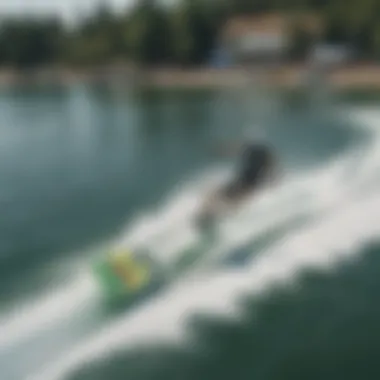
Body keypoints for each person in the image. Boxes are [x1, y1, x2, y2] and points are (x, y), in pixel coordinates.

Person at [196, 138, 278, 230]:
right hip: (245, 182)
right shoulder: (261, 153)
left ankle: (208, 216)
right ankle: (207, 215)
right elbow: (234, 149)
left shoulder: (259, 153)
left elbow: (234, 149)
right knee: (225, 196)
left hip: (248, 183)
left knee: (229, 198)